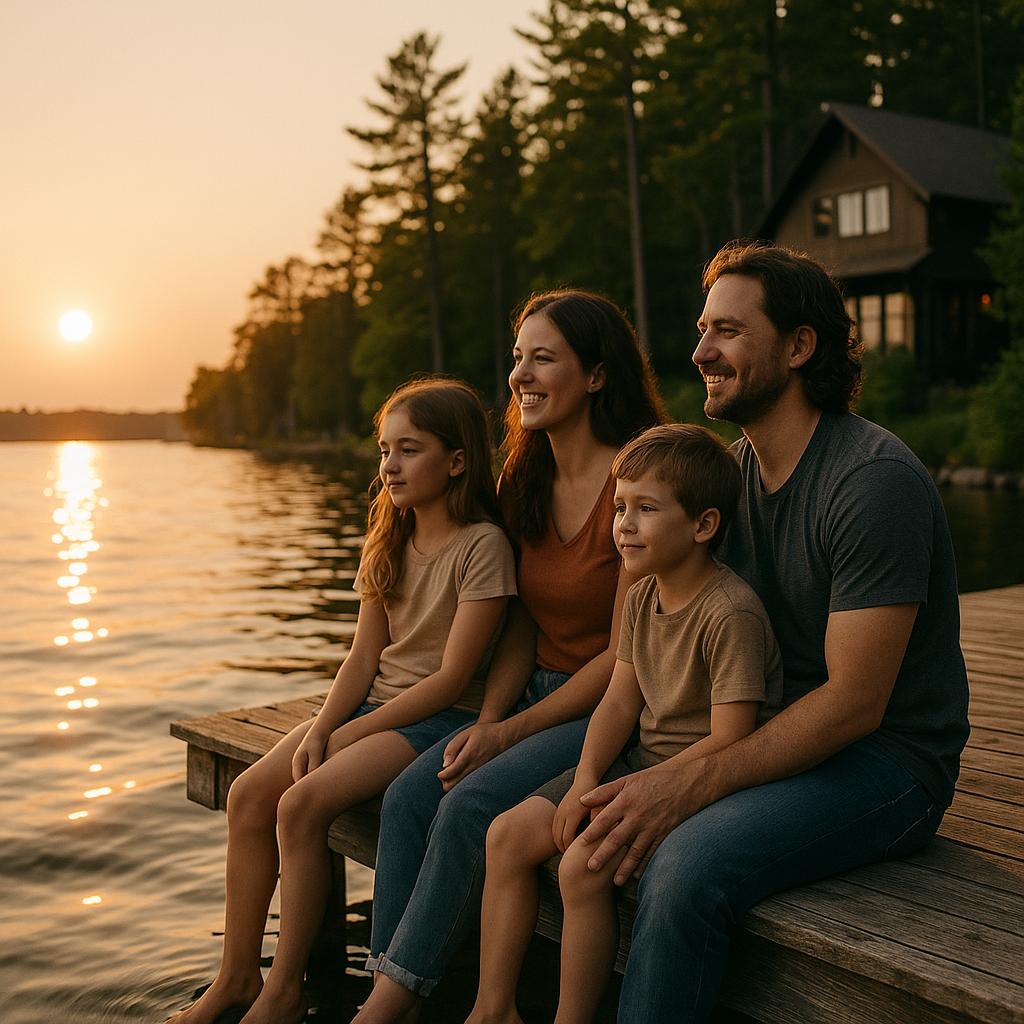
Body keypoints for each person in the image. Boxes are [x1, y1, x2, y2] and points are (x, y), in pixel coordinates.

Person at [572, 241, 970, 1023]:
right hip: (766, 726)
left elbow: (857, 703)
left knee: (684, 866)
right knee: (541, 799)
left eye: (727, 331)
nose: (700, 351)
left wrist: (688, 782)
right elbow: (644, 621)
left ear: (798, 346)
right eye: (701, 328)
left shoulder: (870, 482)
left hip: (887, 763)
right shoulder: (729, 477)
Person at [352, 289, 666, 1023]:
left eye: (543, 358)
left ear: (595, 375)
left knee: (469, 810)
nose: (520, 374)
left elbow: (625, 656)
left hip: (609, 703)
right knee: (408, 796)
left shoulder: (637, 483)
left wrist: (510, 732)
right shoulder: (524, 479)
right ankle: (390, 983)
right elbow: (522, 625)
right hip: (529, 694)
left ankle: (390, 1008)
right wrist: (487, 718)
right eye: (517, 358)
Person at [168, 378, 517, 1024]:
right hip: (373, 708)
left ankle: (284, 992)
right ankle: (238, 976)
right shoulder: (389, 536)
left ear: (458, 459)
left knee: (300, 805)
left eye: (409, 450)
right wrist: (322, 726)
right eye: (385, 450)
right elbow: (362, 658)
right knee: (250, 795)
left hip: (436, 719)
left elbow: (450, 676)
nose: (390, 465)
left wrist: (357, 733)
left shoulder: (482, 547)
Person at [466, 423, 784, 1024]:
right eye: (618, 507)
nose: (624, 524)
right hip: (634, 766)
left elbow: (732, 738)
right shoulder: (640, 596)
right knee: (505, 837)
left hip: (700, 783)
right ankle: (491, 1009)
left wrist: (638, 790)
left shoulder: (730, 613)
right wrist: (585, 778)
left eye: (646, 508)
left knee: (580, 871)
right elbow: (618, 701)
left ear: (703, 525)